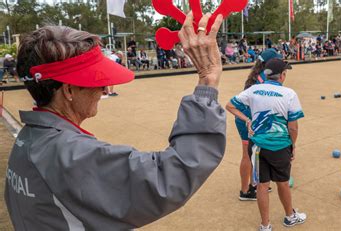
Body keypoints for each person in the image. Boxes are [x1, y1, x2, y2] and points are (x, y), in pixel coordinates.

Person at [5, 13, 226, 230]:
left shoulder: (27, 139)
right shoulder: (68, 153)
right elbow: (167, 178)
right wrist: (207, 80)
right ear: (69, 89)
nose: (103, 89)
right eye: (96, 81)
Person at [226, 59, 306, 231]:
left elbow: (230, 105)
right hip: (279, 146)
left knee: (262, 185)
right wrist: (292, 146)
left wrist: (247, 119)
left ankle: (265, 225)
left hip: (256, 147)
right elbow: (293, 127)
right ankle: (290, 217)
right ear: (282, 76)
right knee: (283, 183)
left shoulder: (253, 89)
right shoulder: (289, 94)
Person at [226, 49, 283, 201]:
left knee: (253, 153)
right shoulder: (265, 78)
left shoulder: (258, 74)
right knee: (247, 154)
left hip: (250, 118)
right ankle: (245, 191)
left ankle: (254, 184)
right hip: (247, 120)